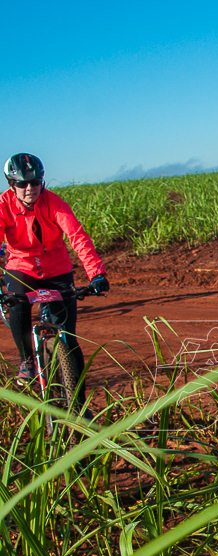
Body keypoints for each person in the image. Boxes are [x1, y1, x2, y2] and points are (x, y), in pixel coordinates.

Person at [1, 153, 110, 384]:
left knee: (69, 340)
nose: (30, 188)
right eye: (22, 183)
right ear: (12, 185)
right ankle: (27, 360)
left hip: (57, 268)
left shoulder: (54, 203)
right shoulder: (3, 206)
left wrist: (96, 273)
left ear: (42, 181)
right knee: (16, 302)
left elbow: (77, 237)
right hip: (22, 267)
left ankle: (78, 407)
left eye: (35, 182)